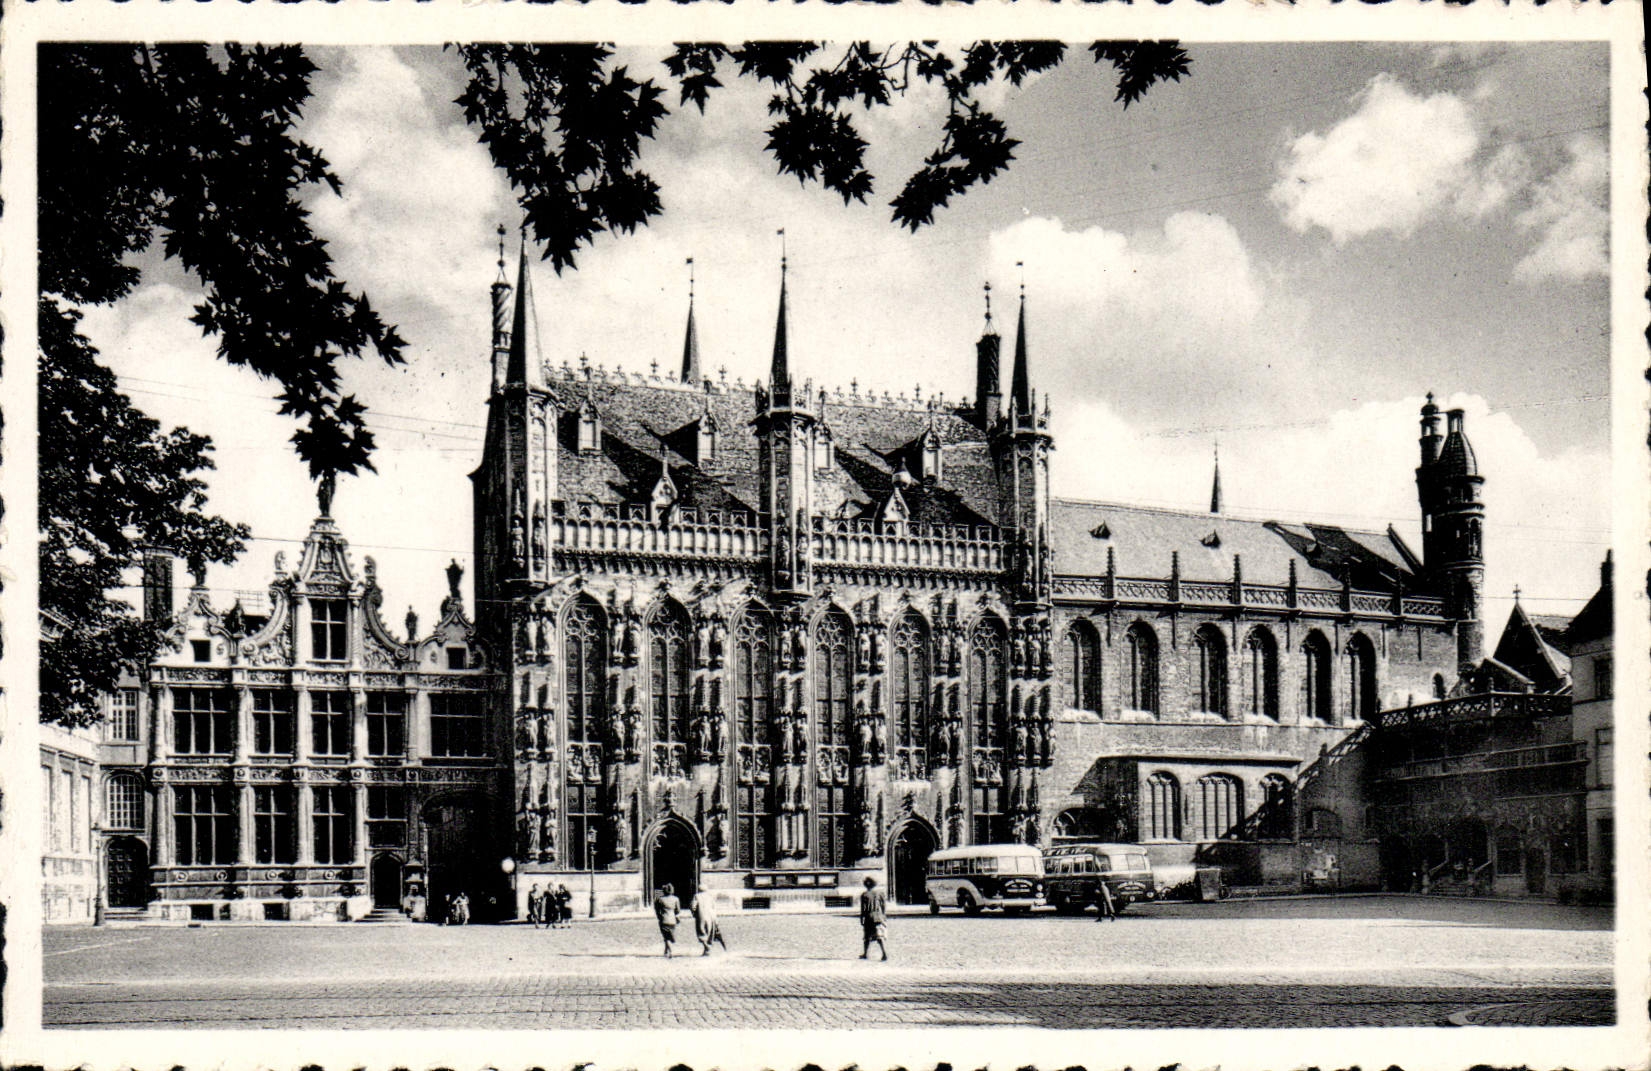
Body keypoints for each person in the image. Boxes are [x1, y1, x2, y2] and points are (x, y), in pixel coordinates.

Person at [858, 875, 888, 961]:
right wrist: (883, 915)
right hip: (878, 916)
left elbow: (863, 909)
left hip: (869, 917)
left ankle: (865, 954)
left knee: (867, 936)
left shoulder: (864, 895)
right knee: (879, 936)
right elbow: (883, 906)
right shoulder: (880, 893)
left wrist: (861, 918)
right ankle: (884, 953)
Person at [690, 888, 728, 956]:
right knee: (710, 933)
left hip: (701, 917)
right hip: (711, 917)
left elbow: (693, 906)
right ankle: (707, 951)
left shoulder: (697, 896)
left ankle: (707, 948)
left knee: (701, 933)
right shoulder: (710, 896)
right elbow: (714, 907)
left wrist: (694, 914)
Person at [653, 882, 682, 958]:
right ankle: (666, 951)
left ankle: (671, 951)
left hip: (664, 920)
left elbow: (656, 909)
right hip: (673, 921)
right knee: (669, 936)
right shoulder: (676, 899)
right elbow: (678, 910)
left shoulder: (660, 899)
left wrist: (659, 916)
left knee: (666, 937)